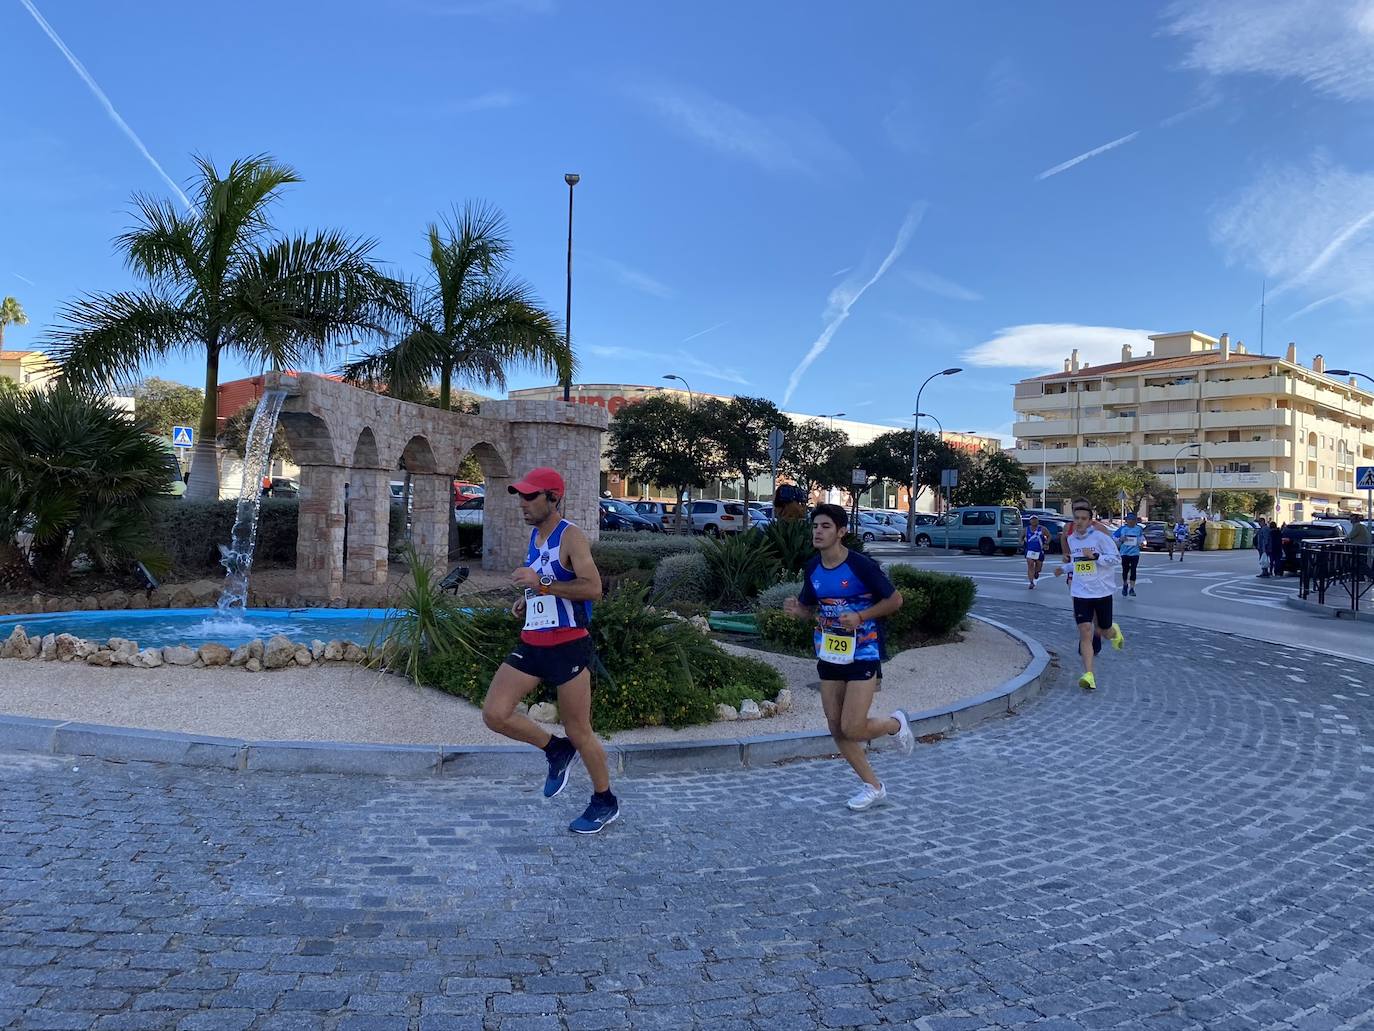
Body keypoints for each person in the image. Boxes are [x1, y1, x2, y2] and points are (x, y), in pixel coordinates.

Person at [480, 467, 619, 835]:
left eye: (531, 496)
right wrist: (526, 600)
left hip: (569, 646)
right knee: (495, 714)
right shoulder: (534, 537)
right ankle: (554, 750)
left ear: (553, 498)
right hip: (533, 642)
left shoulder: (570, 536)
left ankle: (604, 800)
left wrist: (540, 583)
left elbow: (592, 590)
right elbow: (548, 588)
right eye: (521, 496)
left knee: (579, 730)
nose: (523, 504)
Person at [782, 504, 913, 811]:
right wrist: (797, 611)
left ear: (841, 532)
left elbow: (895, 600)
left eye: (826, 526)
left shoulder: (860, 565)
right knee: (836, 727)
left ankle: (895, 724)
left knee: (852, 727)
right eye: (815, 526)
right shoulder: (813, 567)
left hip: (864, 651)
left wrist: (862, 615)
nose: (818, 531)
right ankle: (873, 787)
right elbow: (808, 607)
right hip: (829, 652)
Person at [1054, 498, 1124, 691]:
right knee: (1085, 631)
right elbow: (1078, 563)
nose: (1079, 522)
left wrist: (1097, 557)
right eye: (1076, 518)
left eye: (1084, 518)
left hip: (1102, 591)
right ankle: (1089, 675)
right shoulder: (1071, 539)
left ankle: (1114, 631)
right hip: (1080, 592)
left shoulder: (1101, 538)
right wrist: (1064, 568)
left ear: (1090, 520)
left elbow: (1116, 559)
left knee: (1104, 630)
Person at [1113, 512, 1145, 597]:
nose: (1131, 521)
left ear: (1135, 521)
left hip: (1135, 553)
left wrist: (1143, 543)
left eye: (1133, 520)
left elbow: (1142, 538)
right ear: (1126, 520)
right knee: (1125, 570)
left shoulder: (1138, 529)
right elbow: (1114, 537)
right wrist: (1120, 539)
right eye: (1129, 520)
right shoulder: (1122, 529)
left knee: (1133, 570)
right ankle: (1125, 585)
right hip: (1124, 553)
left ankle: (1132, 588)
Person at [1024, 516, 1050, 589]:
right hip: (1030, 551)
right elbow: (1021, 536)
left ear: (1038, 521)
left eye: (1035, 520)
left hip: (1039, 551)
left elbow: (1049, 536)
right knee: (1030, 564)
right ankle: (1031, 582)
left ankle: (1036, 572)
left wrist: (1046, 543)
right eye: (1032, 520)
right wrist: (1021, 541)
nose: (1034, 521)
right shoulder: (1026, 529)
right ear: (1030, 521)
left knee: (1039, 567)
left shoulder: (1042, 529)